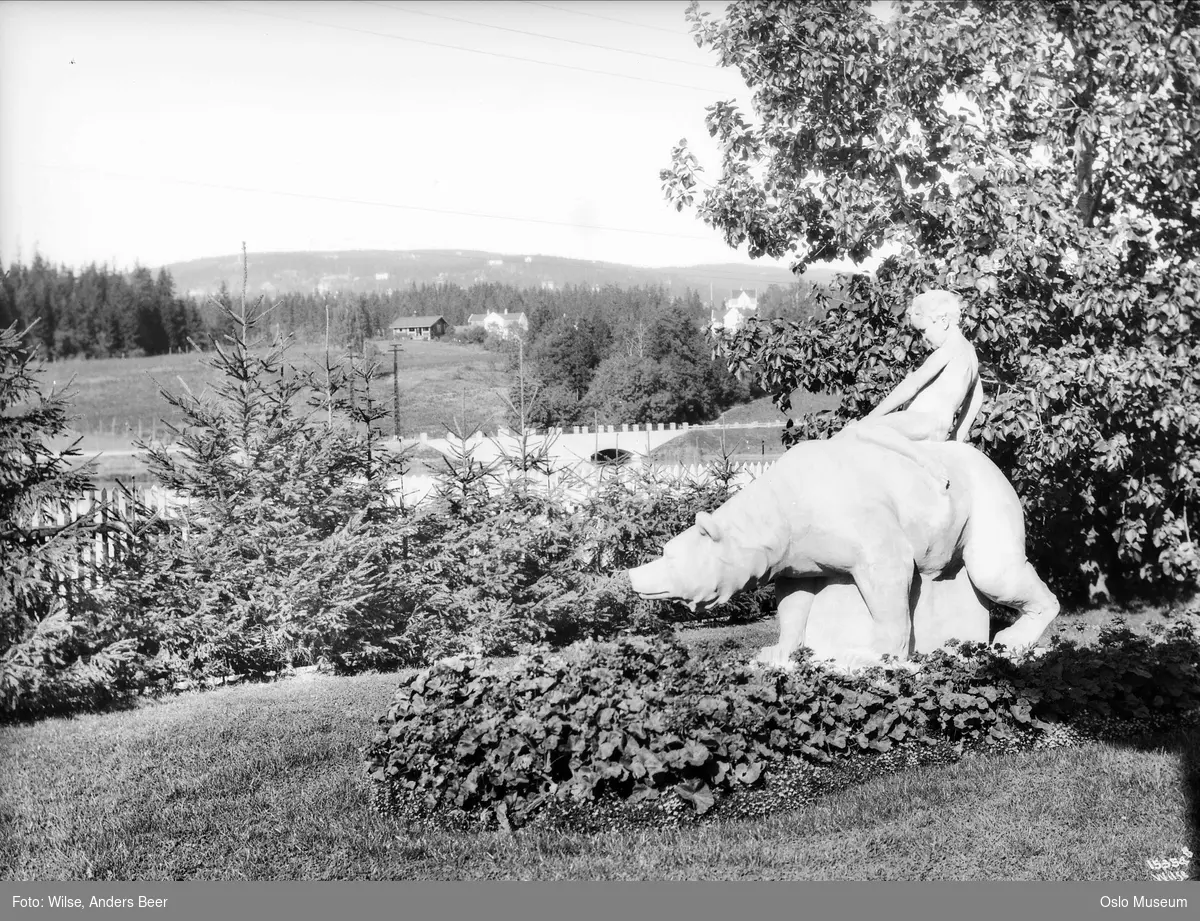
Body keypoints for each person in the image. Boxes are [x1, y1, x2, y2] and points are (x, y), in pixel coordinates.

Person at [839, 289, 984, 489]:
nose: (924, 339)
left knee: (865, 429)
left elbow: (911, 385)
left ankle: (925, 461)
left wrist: (871, 417)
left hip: (923, 421)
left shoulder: (948, 350)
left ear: (943, 321)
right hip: (939, 427)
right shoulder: (970, 353)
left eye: (924, 331)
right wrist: (956, 437)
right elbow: (976, 399)